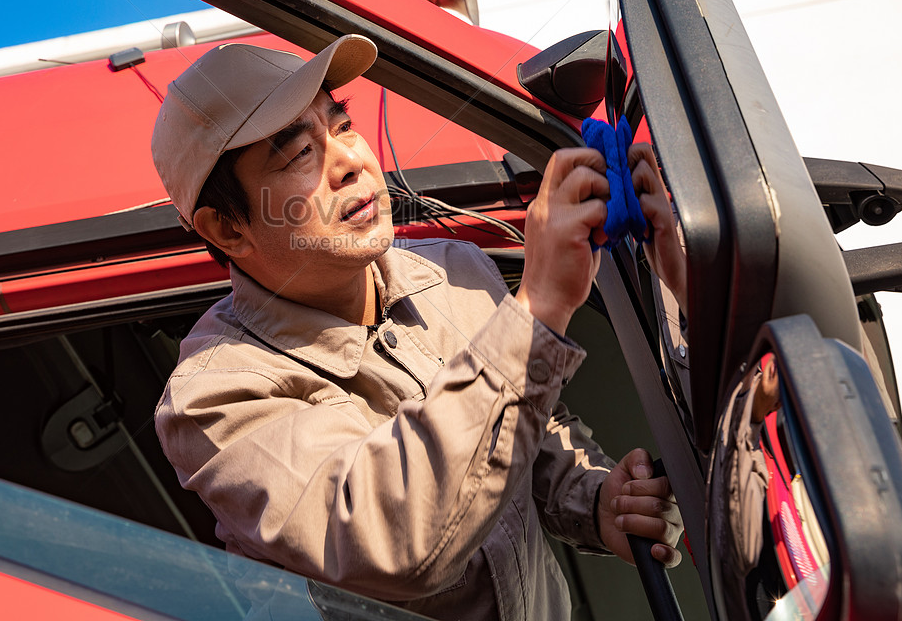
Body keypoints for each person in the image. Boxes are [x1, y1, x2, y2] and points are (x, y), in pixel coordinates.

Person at [152, 34, 686, 621]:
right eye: (298, 152)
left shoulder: (452, 268)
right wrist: (538, 311)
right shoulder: (212, 397)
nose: (350, 162)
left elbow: (526, 432)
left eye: (343, 124)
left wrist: (595, 499)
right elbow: (393, 537)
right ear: (227, 230)